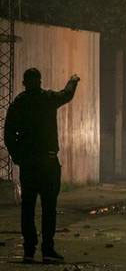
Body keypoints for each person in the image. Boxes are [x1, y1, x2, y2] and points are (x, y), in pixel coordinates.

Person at [4, 69, 80, 263]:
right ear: (39, 82)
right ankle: (48, 250)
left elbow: (8, 136)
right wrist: (73, 80)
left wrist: (18, 157)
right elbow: (66, 94)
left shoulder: (18, 104)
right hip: (48, 162)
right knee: (49, 208)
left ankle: (29, 251)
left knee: (27, 209)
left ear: (23, 82)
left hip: (29, 165)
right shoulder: (47, 98)